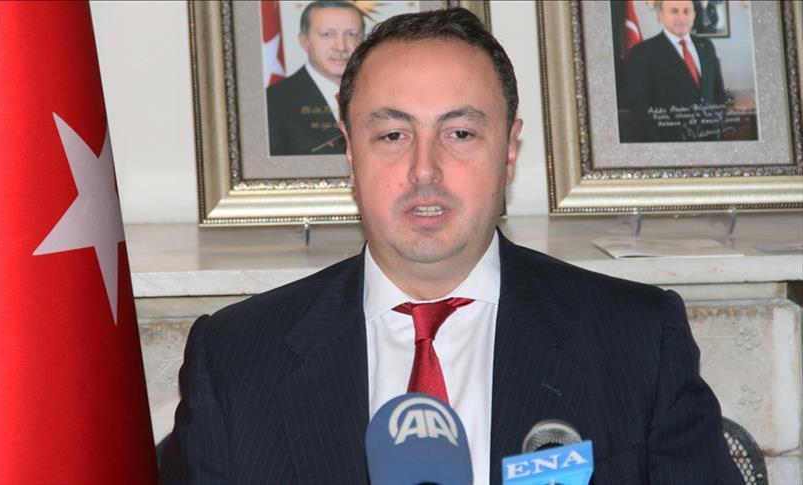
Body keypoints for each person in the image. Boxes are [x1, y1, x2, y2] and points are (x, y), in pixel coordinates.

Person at [161, 7, 743, 484]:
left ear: (509, 149)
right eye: (393, 134)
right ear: (350, 152)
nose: (424, 169)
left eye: (460, 133)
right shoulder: (236, 358)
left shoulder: (638, 340)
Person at [266, 1, 364, 156]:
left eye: (351, 34)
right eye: (327, 34)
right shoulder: (272, 103)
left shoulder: (381, 94)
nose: (341, 47)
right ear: (304, 41)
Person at [626, 0, 727, 142]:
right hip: (669, 142)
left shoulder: (707, 46)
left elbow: (719, 94)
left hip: (710, 139)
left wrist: (718, 128)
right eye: (674, 11)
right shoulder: (642, 52)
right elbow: (640, 107)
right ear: (660, 16)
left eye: (686, 11)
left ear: (694, 15)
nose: (681, 17)